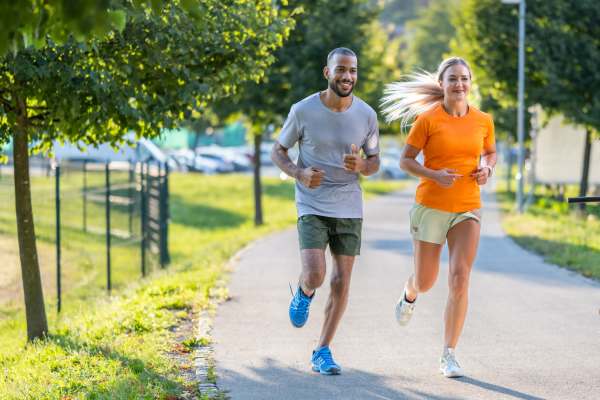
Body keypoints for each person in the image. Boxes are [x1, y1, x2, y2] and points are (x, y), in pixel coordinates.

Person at [381, 57, 496, 378]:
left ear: (470, 82)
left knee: (460, 278)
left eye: (464, 78)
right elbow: (405, 160)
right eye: (453, 79)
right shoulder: (428, 120)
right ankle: (409, 292)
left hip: (467, 207)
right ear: (442, 84)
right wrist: (433, 174)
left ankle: (449, 353)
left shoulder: (484, 120)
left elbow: (490, 152)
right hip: (431, 206)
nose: (459, 84)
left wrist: (487, 168)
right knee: (427, 281)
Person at [271, 47, 380, 375]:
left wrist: (362, 164)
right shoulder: (303, 110)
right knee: (317, 274)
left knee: (341, 281)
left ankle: (322, 350)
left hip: (348, 203)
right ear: (327, 72)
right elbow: (278, 150)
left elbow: (375, 162)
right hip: (312, 201)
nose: (348, 76)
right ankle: (304, 291)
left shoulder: (367, 115)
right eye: (341, 70)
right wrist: (298, 173)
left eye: (353, 70)